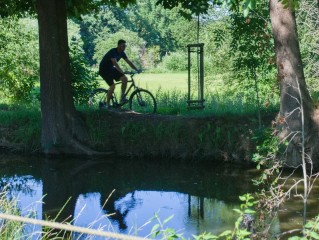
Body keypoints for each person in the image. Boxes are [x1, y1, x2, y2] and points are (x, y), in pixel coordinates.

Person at [98, 39, 141, 108]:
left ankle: (122, 98)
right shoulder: (113, 51)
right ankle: (107, 104)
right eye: (123, 46)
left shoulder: (122, 53)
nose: (124, 47)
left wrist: (137, 69)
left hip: (111, 69)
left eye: (125, 46)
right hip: (104, 70)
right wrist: (122, 71)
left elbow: (129, 62)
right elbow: (115, 63)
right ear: (118, 45)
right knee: (112, 86)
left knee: (125, 79)